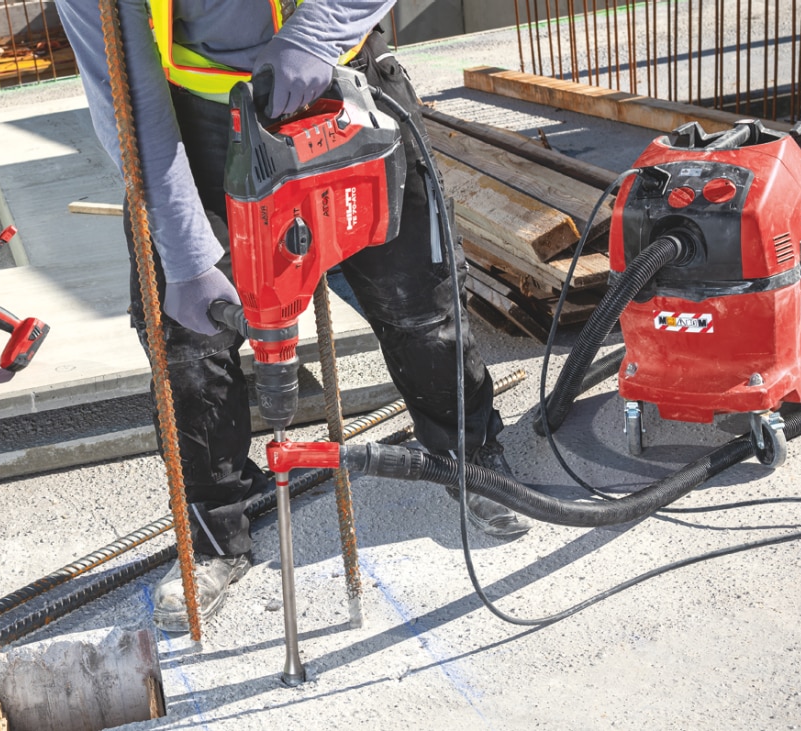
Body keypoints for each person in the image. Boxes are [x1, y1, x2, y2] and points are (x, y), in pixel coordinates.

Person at [54, 0, 532, 632]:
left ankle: (467, 456)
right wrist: (189, 256)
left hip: (340, 84)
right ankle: (216, 529)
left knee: (419, 298)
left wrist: (317, 32)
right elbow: (130, 104)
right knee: (188, 343)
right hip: (200, 123)